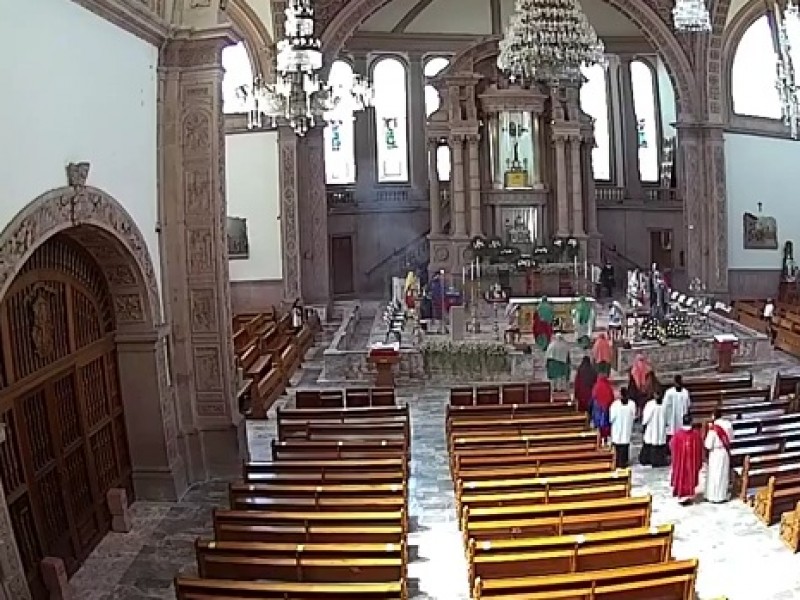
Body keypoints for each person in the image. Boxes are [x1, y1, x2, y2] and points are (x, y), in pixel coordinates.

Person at [670, 413, 704, 504]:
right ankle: (688, 495)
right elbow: (700, 448)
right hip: (691, 463)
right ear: (691, 422)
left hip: (680, 463)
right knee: (689, 476)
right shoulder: (696, 435)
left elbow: (671, 445)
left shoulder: (677, 434)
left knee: (681, 474)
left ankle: (681, 494)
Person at [705, 408, 734, 503]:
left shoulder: (713, 428)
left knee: (714, 475)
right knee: (723, 474)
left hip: (715, 453)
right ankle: (722, 495)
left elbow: (708, 445)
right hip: (724, 452)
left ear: (713, 416)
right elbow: (731, 438)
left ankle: (713, 496)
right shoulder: (728, 424)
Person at [609, 387, 636, 468]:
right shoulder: (632, 404)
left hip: (617, 430)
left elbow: (611, 419)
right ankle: (624, 462)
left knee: (617, 447)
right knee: (625, 447)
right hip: (626, 429)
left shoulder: (615, 405)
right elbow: (634, 416)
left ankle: (617, 462)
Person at [641, 392, 668, 467]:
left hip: (658, 427)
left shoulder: (664, 404)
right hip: (653, 427)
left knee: (655, 442)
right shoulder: (651, 404)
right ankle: (650, 460)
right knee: (653, 441)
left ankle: (655, 460)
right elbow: (646, 416)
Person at [663, 374, 691, 446]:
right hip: (671, 418)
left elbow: (688, 405)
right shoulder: (669, 392)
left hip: (682, 418)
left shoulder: (685, 392)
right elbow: (665, 406)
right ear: (674, 383)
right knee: (671, 434)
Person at [590, 373, 615, 446]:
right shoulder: (608, 386)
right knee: (605, 426)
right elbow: (611, 398)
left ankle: (599, 441)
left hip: (598, 409)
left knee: (598, 427)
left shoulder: (596, 386)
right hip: (606, 409)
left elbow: (593, 397)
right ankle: (605, 440)